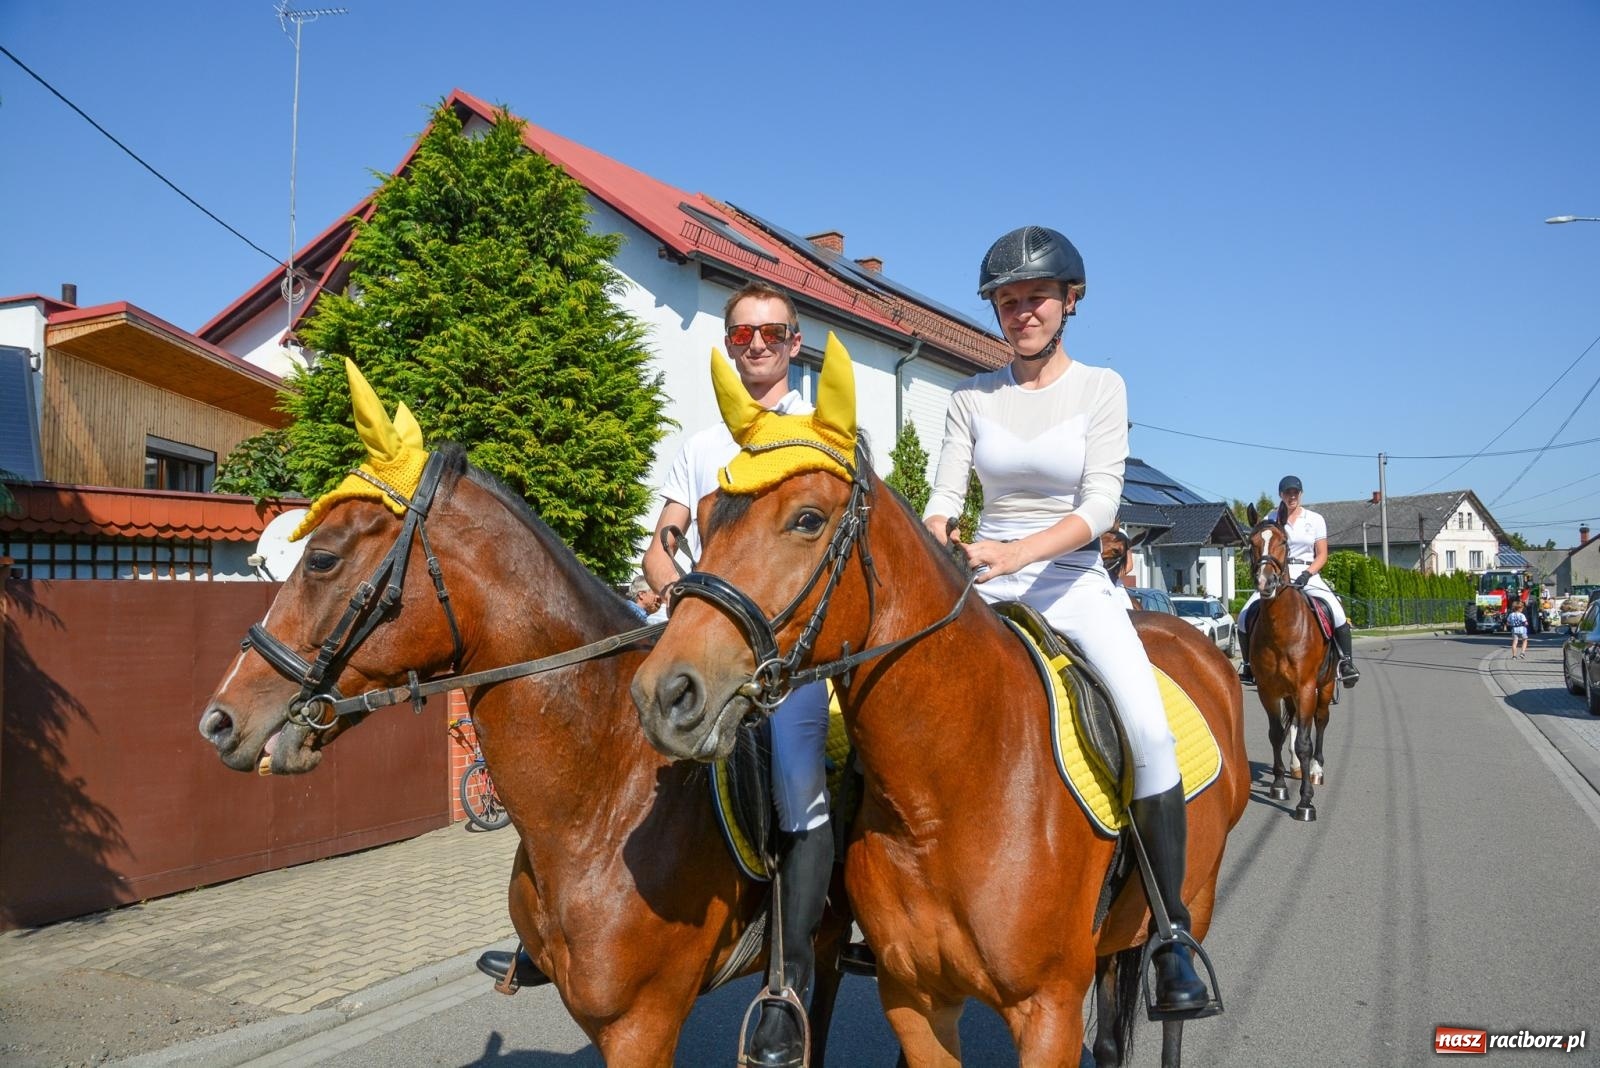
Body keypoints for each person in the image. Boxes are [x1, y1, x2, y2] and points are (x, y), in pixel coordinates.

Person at [922, 225, 1211, 1018]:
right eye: (1008, 301)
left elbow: (1099, 507)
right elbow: (946, 500)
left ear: (1069, 302)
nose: (1022, 312)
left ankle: (1173, 935)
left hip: (1074, 583)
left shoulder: (1100, 388)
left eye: (1035, 299)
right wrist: (942, 537)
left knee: (1149, 734)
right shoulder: (969, 397)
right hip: (984, 584)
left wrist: (1017, 556)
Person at [640, 281, 833, 1066]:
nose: (755, 345)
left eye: (771, 334)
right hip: (703, 637)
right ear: (728, 345)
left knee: (798, 785)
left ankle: (785, 982)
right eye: (741, 333)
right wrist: (662, 571)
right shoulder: (700, 448)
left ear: (795, 344)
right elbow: (664, 540)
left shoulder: (822, 432)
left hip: (783, 658)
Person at [1236, 476, 1361, 687]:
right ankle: (1249, 665)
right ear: (1281, 495)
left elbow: (1321, 554)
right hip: (1275, 572)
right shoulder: (1271, 517)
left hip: (1307, 571)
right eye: (1287, 493)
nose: (1291, 496)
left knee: (1336, 611)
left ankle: (1345, 663)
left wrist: (1307, 574)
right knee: (1243, 616)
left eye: (1295, 492)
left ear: (1300, 494)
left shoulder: (1314, 519)